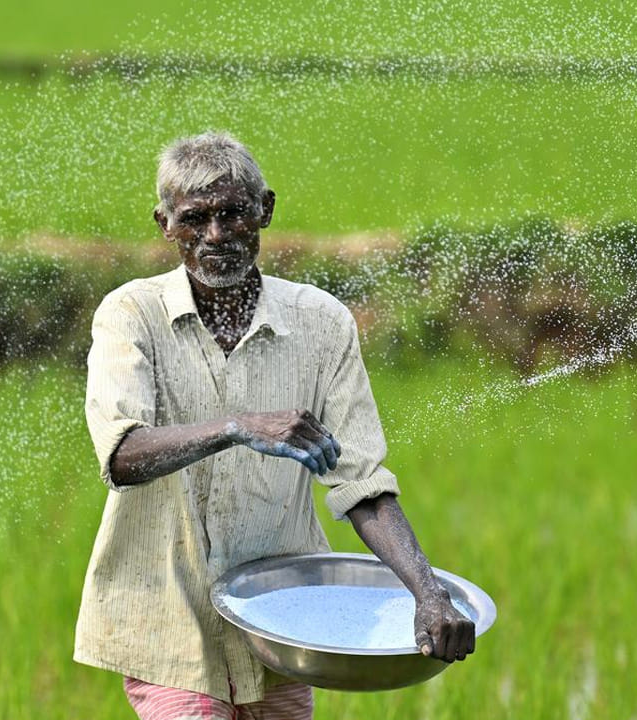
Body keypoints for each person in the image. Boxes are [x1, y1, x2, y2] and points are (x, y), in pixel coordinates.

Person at [75, 131, 475, 720]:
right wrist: (237, 425)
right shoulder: (132, 315)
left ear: (265, 210)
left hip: (282, 618)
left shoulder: (320, 323)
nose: (215, 236)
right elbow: (122, 454)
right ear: (164, 224)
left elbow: (361, 481)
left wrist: (427, 591)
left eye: (233, 214)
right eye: (194, 219)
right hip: (168, 615)